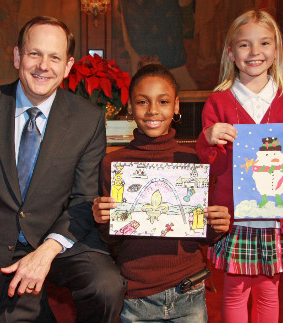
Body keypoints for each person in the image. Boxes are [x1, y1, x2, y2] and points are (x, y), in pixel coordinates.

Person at [0, 16, 126, 323]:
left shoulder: (88, 119)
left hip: (63, 237)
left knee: (107, 287)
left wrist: (47, 250)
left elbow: (84, 198)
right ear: (17, 56)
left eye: (55, 57)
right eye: (35, 54)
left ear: (68, 66)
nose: (44, 66)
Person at [196, 9, 283, 323]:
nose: (255, 52)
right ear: (230, 52)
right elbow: (214, 167)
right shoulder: (218, 103)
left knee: (270, 291)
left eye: (265, 43)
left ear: (276, 50)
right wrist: (208, 140)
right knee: (235, 290)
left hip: (277, 218)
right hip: (235, 216)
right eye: (244, 45)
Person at [92, 63, 231, 323]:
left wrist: (217, 226)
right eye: (143, 102)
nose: (153, 110)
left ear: (176, 106)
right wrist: (102, 219)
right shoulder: (113, 163)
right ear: (130, 107)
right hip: (136, 296)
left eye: (163, 101)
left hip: (189, 292)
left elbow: (202, 234)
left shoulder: (194, 160)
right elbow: (111, 240)